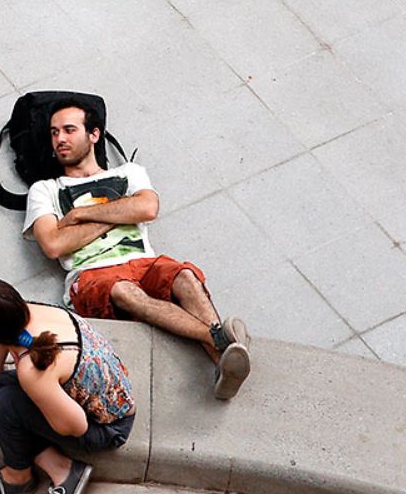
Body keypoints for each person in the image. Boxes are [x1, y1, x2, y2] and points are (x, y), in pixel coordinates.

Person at [24, 99, 251, 399]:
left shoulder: (130, 172)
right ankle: (219, 338)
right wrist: (119, 214)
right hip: (91, 274)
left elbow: (147, 207)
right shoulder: (45, 190)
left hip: (144, 262)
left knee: (185, 276)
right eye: (54, 133)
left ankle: (224, 367)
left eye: (68, 130)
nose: (60, 139)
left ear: (94, 135)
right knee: (122, 291)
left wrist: (80, 215)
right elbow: (53, 244)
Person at [0, 276, 135, 494]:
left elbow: (74, 426)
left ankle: (19, 478)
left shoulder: (32, 370)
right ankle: (55, 462)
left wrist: (35, 399)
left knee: (6, 405)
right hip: (68, 392)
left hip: (106, 426)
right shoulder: (16, 317)